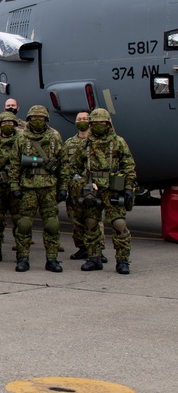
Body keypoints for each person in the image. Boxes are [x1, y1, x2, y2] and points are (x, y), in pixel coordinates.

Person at [68, 109, 136, 274]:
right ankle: (94, 258)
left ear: (108, 124)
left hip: (113, 188)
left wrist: (128, 187)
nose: (98, 126)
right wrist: (79, 183)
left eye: (101, 123)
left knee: (119, 224)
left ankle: (122, 261)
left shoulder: (118, 142)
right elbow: (74, 166)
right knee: (91, 223)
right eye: (95, 123)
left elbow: (129, 166)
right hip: (93, 189)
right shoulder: (86, 144)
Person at [9, 105, 66, 273]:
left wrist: (63, 187)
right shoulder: (21, 138)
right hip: (28, 188)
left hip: (48, 188)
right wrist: (14, 186)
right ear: (28, 120)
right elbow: (14, 164)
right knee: (24, 225)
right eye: (34, 119)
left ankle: (52, 259)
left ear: (46, 120)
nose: (37, 122)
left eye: (40, 119)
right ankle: (23, 258)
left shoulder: (55, 137)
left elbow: (63, 164)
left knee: (52, 225)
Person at [64, 112, 104, 261]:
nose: (82, 121)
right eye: (79, 119)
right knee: (76, 219)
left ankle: (98, 249)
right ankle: (82, 248)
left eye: (85, 119)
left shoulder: (97, 142)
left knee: (94, 219)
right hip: (74, 187)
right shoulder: (69, 143)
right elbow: (66, 165)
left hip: (92, 186)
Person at [0, 112, 21, 263]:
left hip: (17, 186)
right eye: (4, 123)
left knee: (20, 220)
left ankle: (22, 250)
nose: (7, 126)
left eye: (10, 123)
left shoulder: (22, 142)